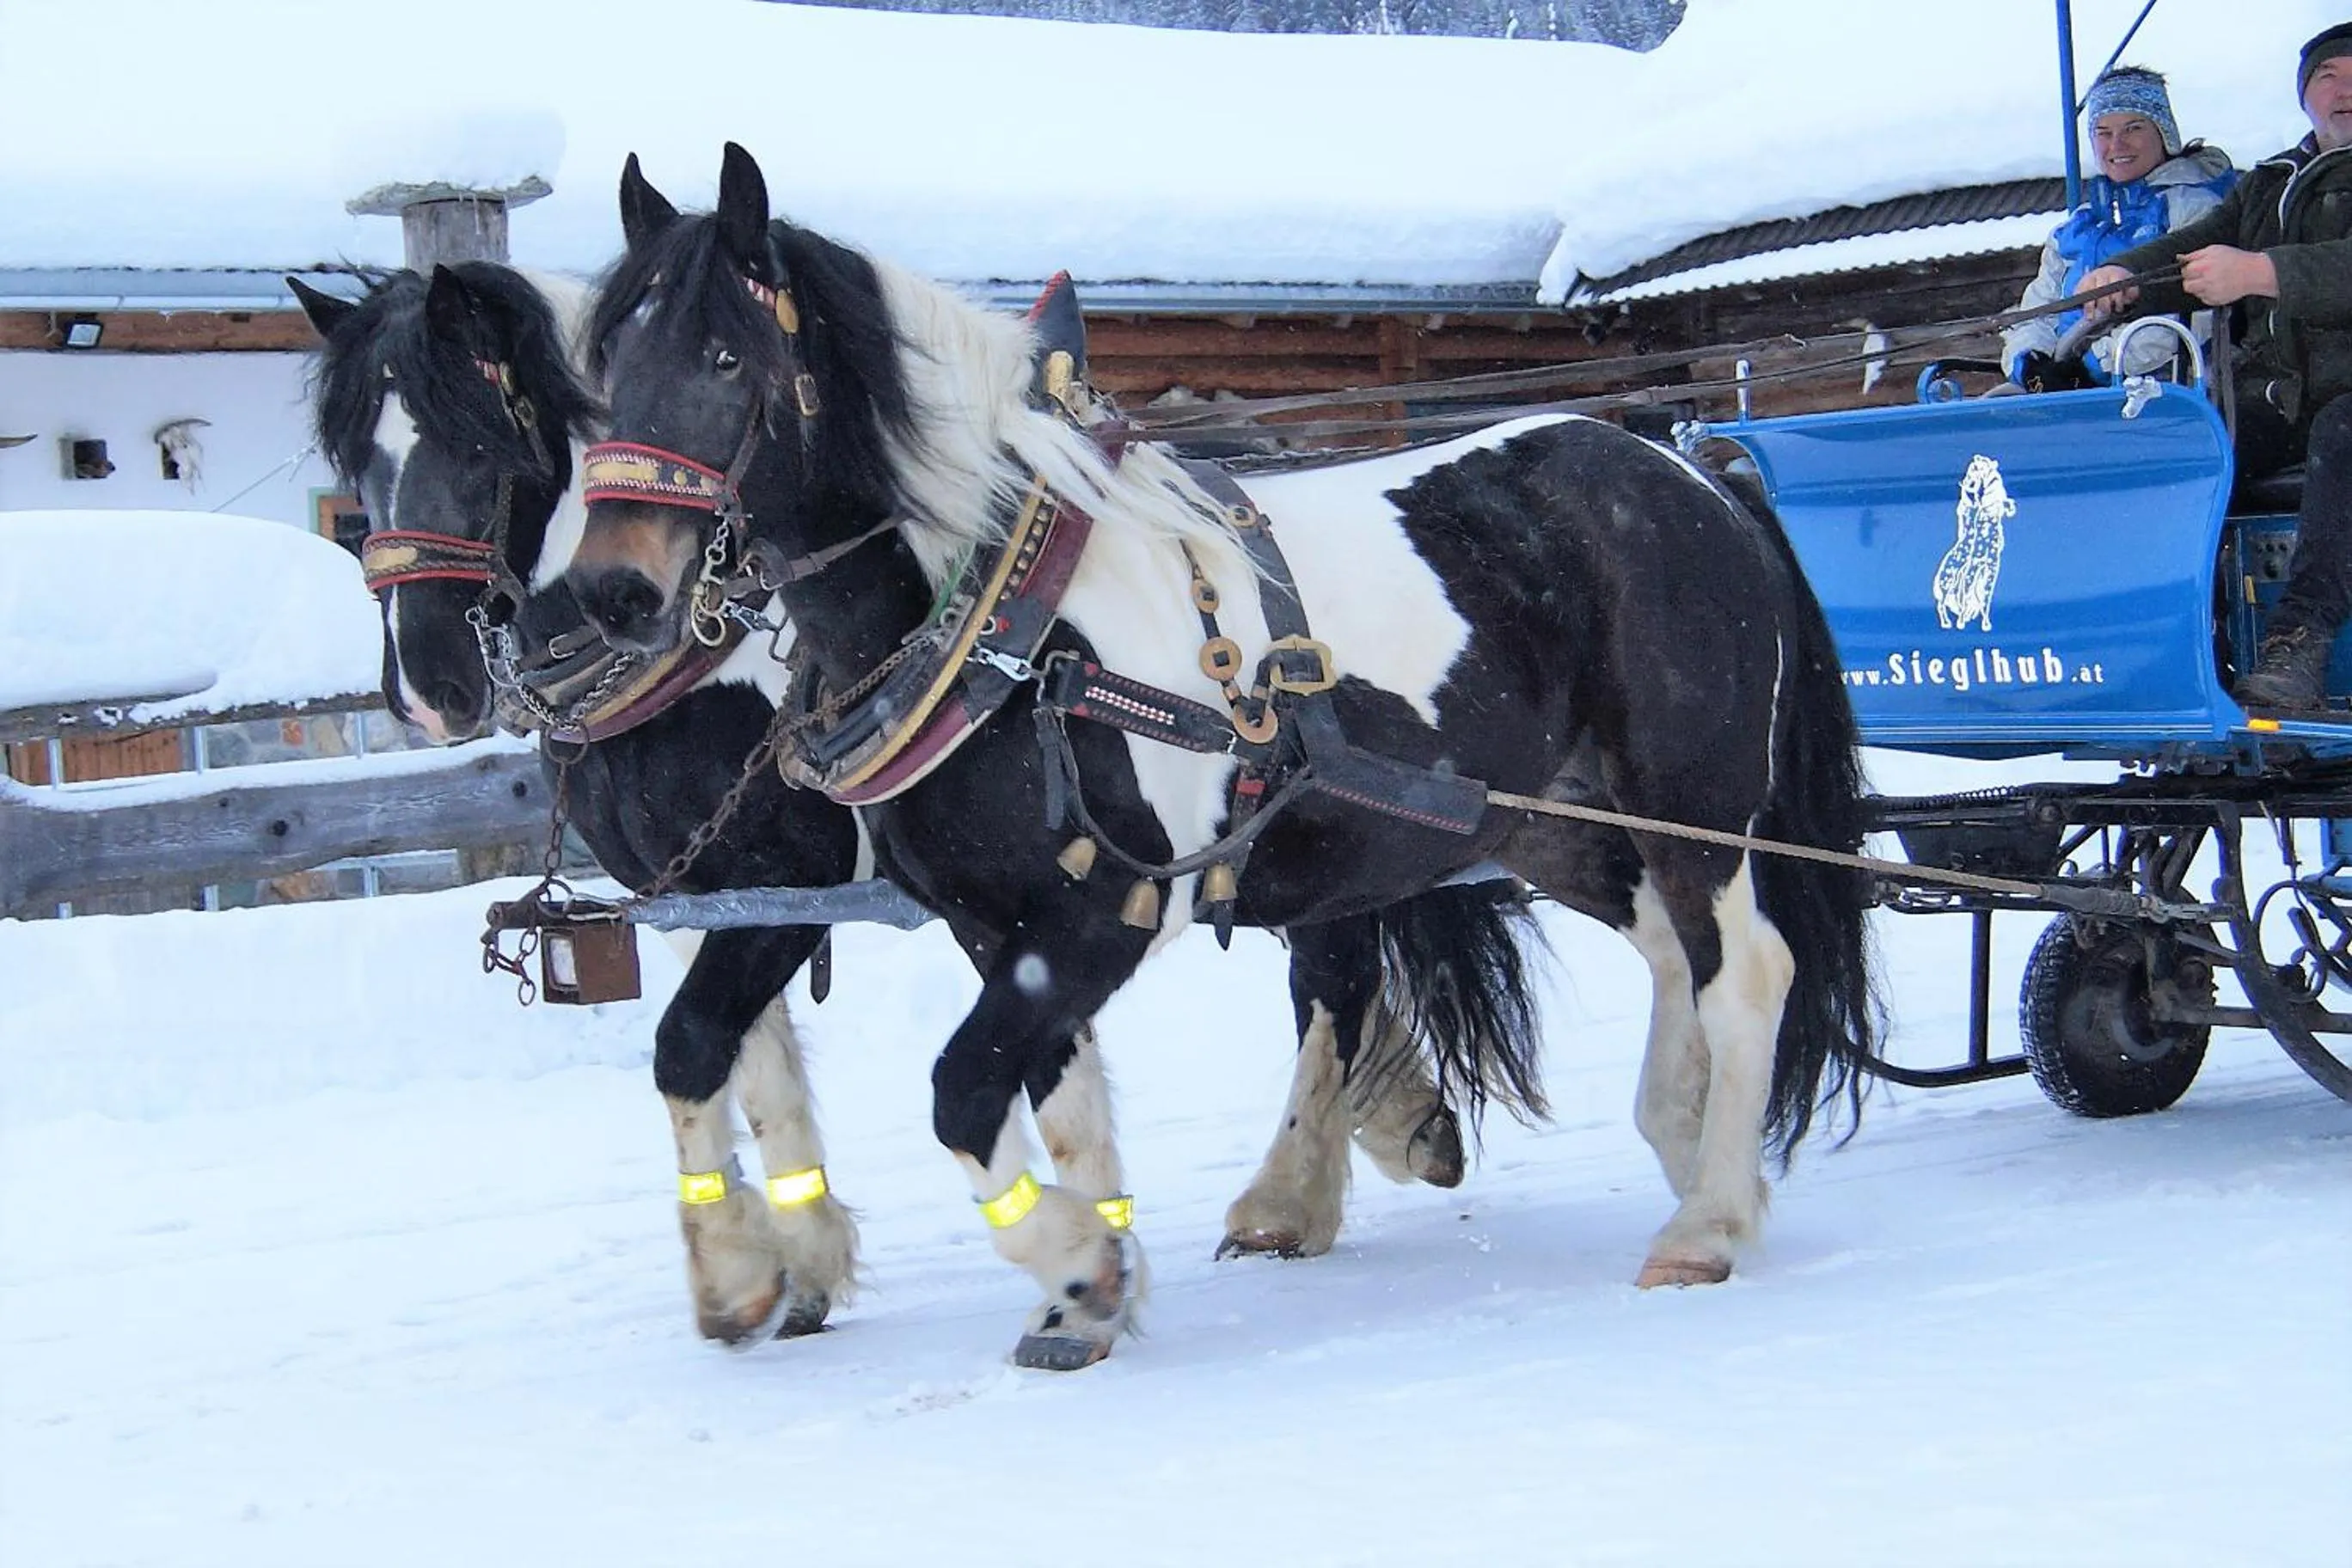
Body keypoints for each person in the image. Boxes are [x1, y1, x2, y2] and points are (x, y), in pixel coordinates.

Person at [2083, 24, 2352, 709]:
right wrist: (2126, 274)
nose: (2343, 91)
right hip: (2282, 396)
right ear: (2305, 96)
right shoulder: (2269, 185)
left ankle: (2300, 641)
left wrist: (2262, 272)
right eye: (2328, 77)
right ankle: (2181, 644)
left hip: (2345, 405)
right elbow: (2199, 248)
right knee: (2183, 446)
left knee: (2345, 436)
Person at [2000, 65, 2236, 392]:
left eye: (2133, 128)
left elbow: (2193, 317)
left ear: (2164, 133)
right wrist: (2031, 364)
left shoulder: (2194, 209)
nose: (2117, 145)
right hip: (2071, 393)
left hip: (2162, 390)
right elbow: (2036, 311)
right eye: (2103, 132)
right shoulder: (2076, 227)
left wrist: (2095, 367)